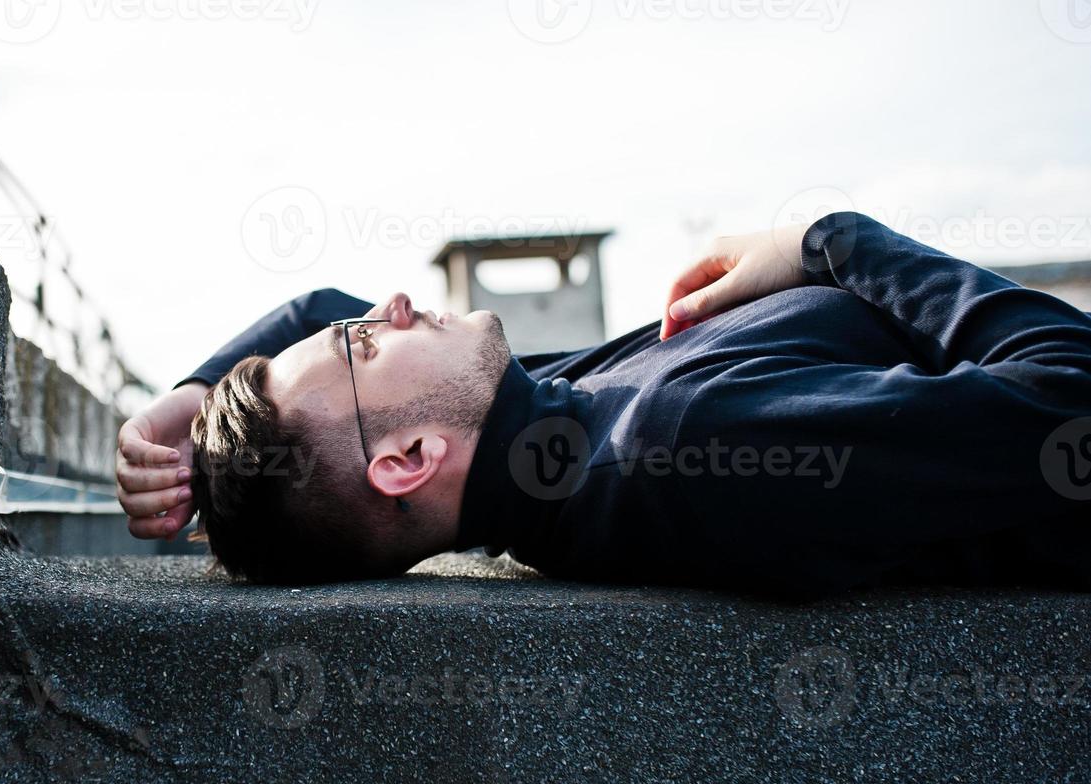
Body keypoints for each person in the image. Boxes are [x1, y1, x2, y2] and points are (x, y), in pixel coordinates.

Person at [115, 211, 1091, 595]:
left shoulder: (540, 428)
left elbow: (321, 312)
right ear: (408, 458)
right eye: (369, 342)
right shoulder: (675, 445)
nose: (391, 304)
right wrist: (826, 242)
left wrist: (191, 402)